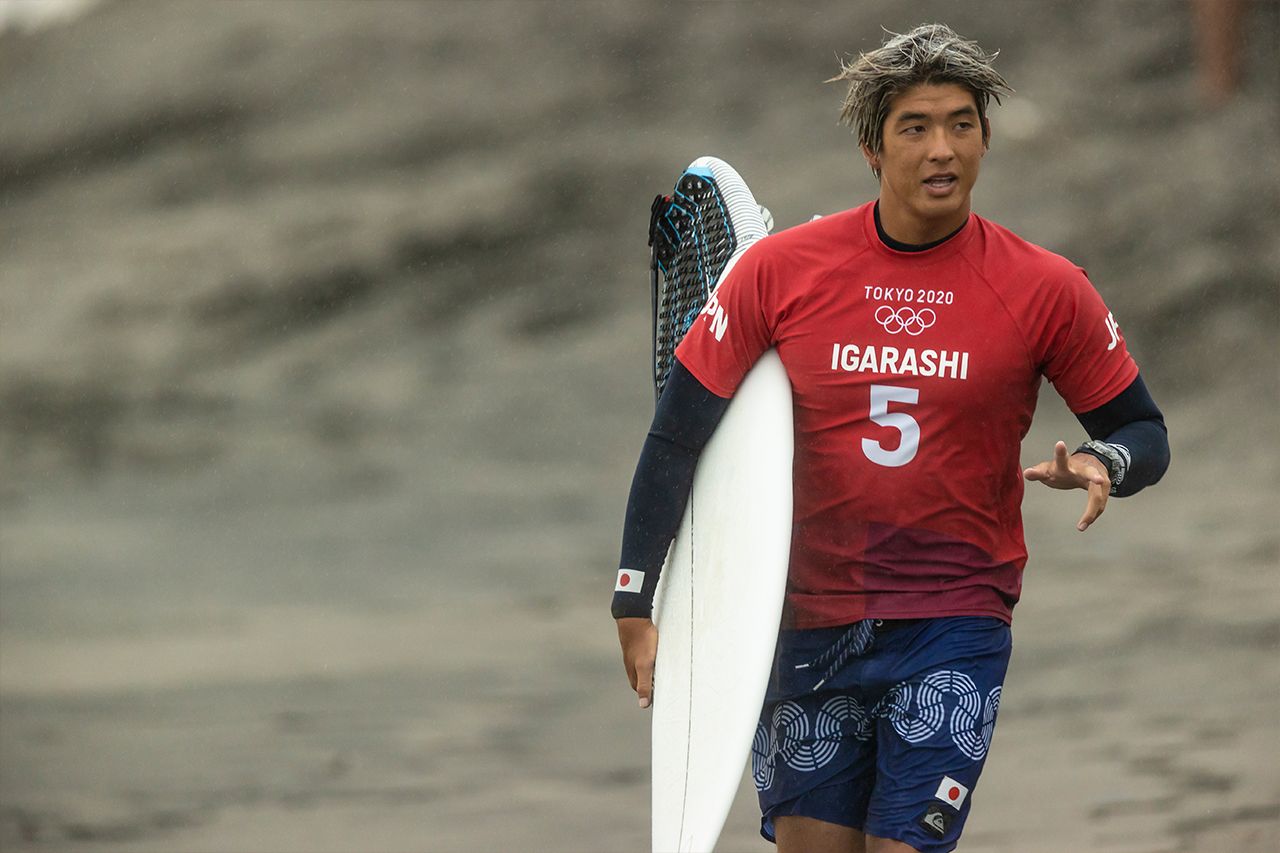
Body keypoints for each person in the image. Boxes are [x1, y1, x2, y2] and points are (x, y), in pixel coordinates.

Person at [612, 23, 1170, 853]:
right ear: (874, 148)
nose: (941, 149)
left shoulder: (1045, 288)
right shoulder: (782, 272)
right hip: (806, 623)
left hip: (954, 620)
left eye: (961, 124)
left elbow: (1141, 428)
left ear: (984, 138)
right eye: (915, 127)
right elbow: (677, 439)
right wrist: (635, 596)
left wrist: (1102, 459)